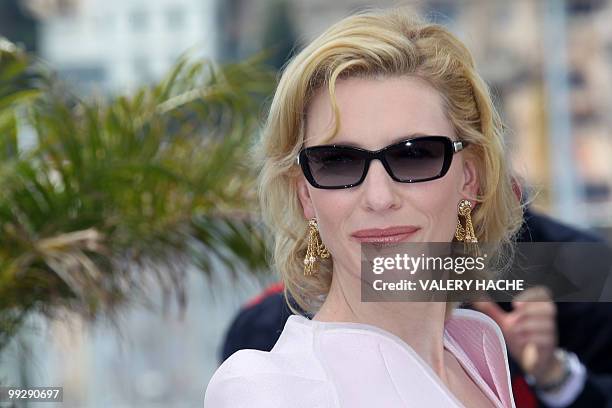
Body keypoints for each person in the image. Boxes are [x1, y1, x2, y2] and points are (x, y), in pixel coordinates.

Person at [204, 8, 525, 407]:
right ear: (305, 194)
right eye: (338, 162)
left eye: (414, 155)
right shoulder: (274, 390)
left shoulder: (475, 353)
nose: (378, 197)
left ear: (469, 178)